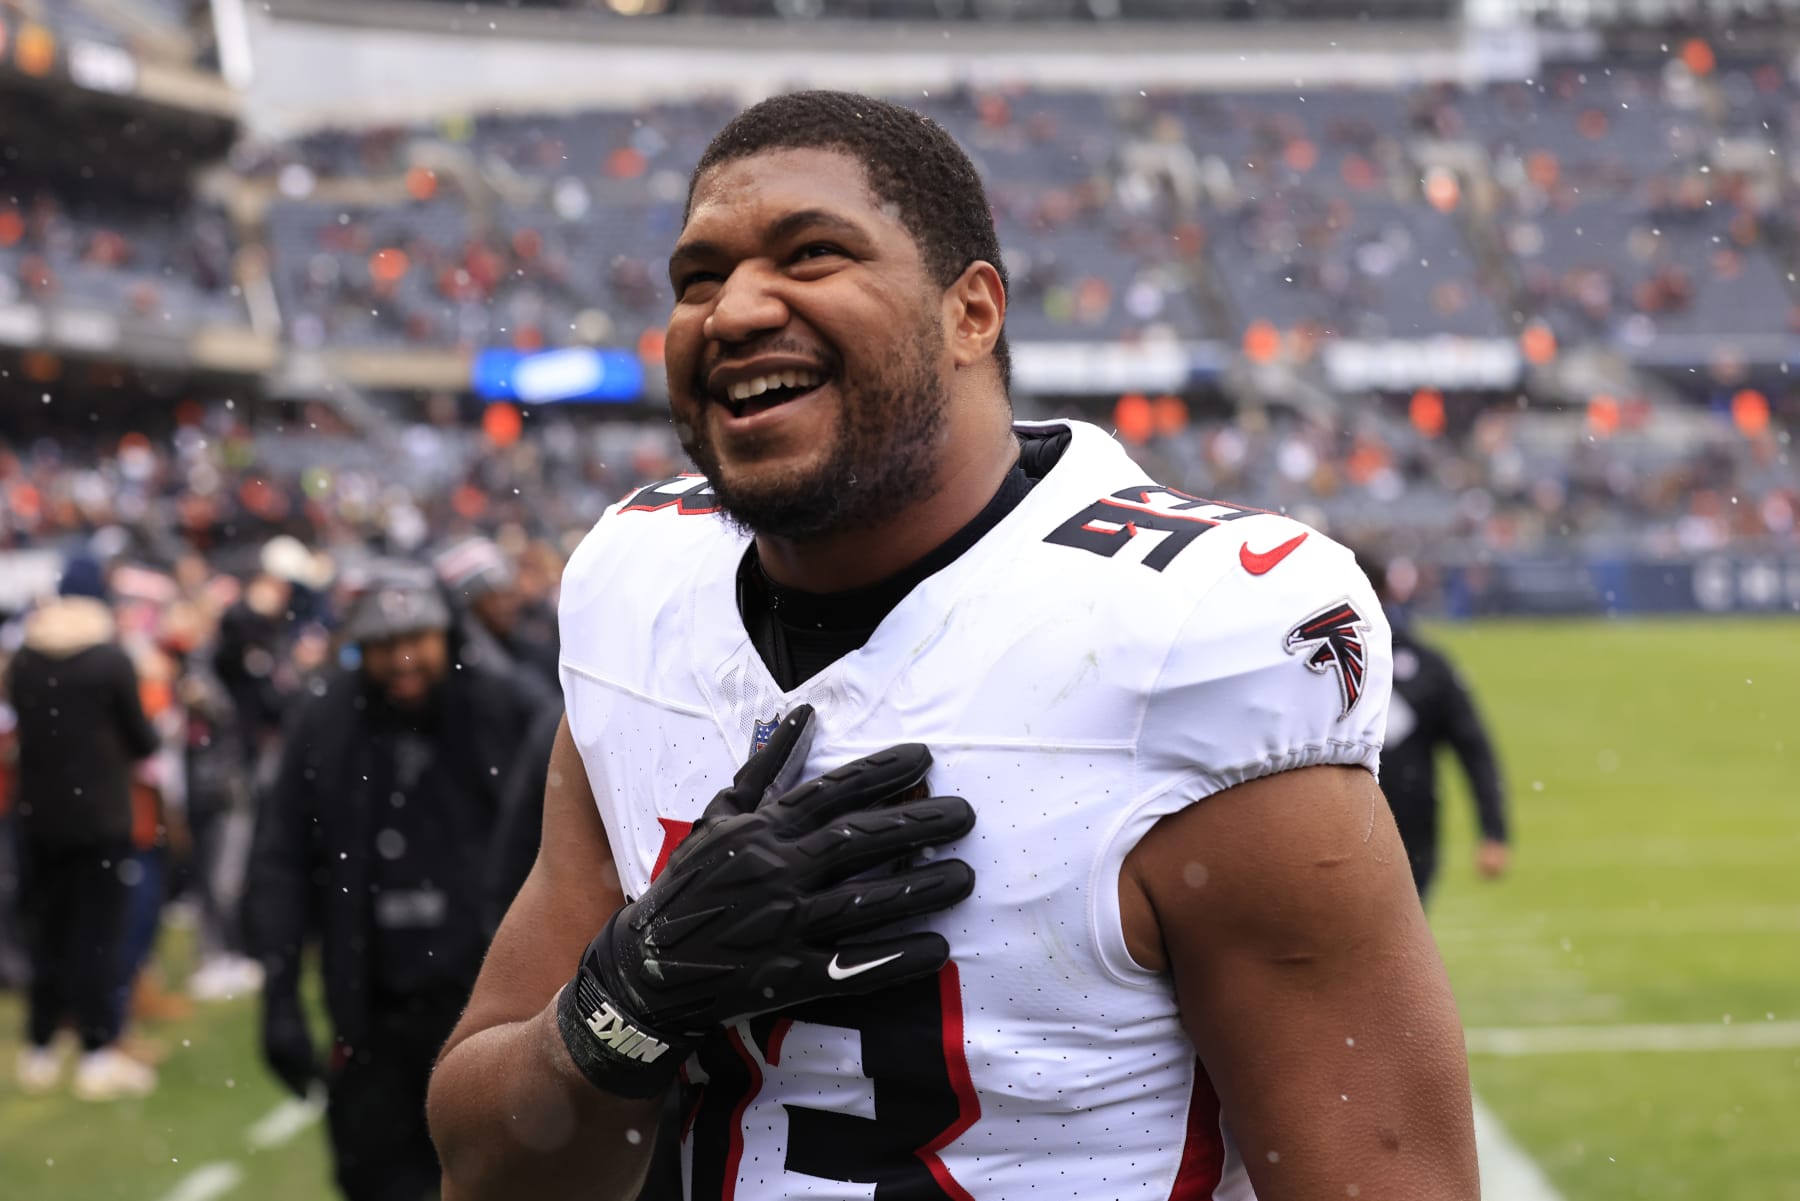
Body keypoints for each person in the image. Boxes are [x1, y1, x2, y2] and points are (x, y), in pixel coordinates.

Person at [428, 91, 1478, 1201]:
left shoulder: (1185, 637)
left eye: (811, 254)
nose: (733, 311)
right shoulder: (637, 592)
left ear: (972, 312)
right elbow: (488, 1172)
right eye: (698, 277)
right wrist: (628, 1004)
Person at [246, 560, 543, 1201]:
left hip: (489, 1005)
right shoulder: (322, 724)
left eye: (417, 640)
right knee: (377, 1178)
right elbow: (280, 858)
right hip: (370, 1008)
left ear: (447, 636)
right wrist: (278, 994)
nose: (403, 659)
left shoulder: (503, 707)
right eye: (384, 645)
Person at [5, 555, 161, 1100]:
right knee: (97, 939)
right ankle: (96, 1053)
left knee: (48, 934)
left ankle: (40, 1047)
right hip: (99, 821)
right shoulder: (110, 661)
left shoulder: (25, 659)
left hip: (39, 820)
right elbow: (144, 741)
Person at [1360, 553, 1511, 900]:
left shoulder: (1427, 666)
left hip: (1409, 832)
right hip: (1330, 831)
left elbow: (1474, 749)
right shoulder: (1306, 668)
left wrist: (1493, 831)